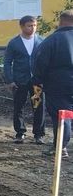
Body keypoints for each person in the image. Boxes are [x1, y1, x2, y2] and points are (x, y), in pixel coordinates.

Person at [31, 9, 73, 158]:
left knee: (63, 117)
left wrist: (37, 82)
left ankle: (60, 148)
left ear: (60, 21)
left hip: (59, 85)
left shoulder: (51, 41)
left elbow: (40, 64)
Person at [2, 15, 45, 144]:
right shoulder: (14, 43)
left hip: (36, 81)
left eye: (35, 25)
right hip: (20, 81)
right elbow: (7, 62)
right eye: (29, 26)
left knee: (38, 106)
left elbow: (46, 61)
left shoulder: (41, 41)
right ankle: (20, 133)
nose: (33, 28)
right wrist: (10, 80)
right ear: (22, 26)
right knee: (19, 106)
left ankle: (39, 134)